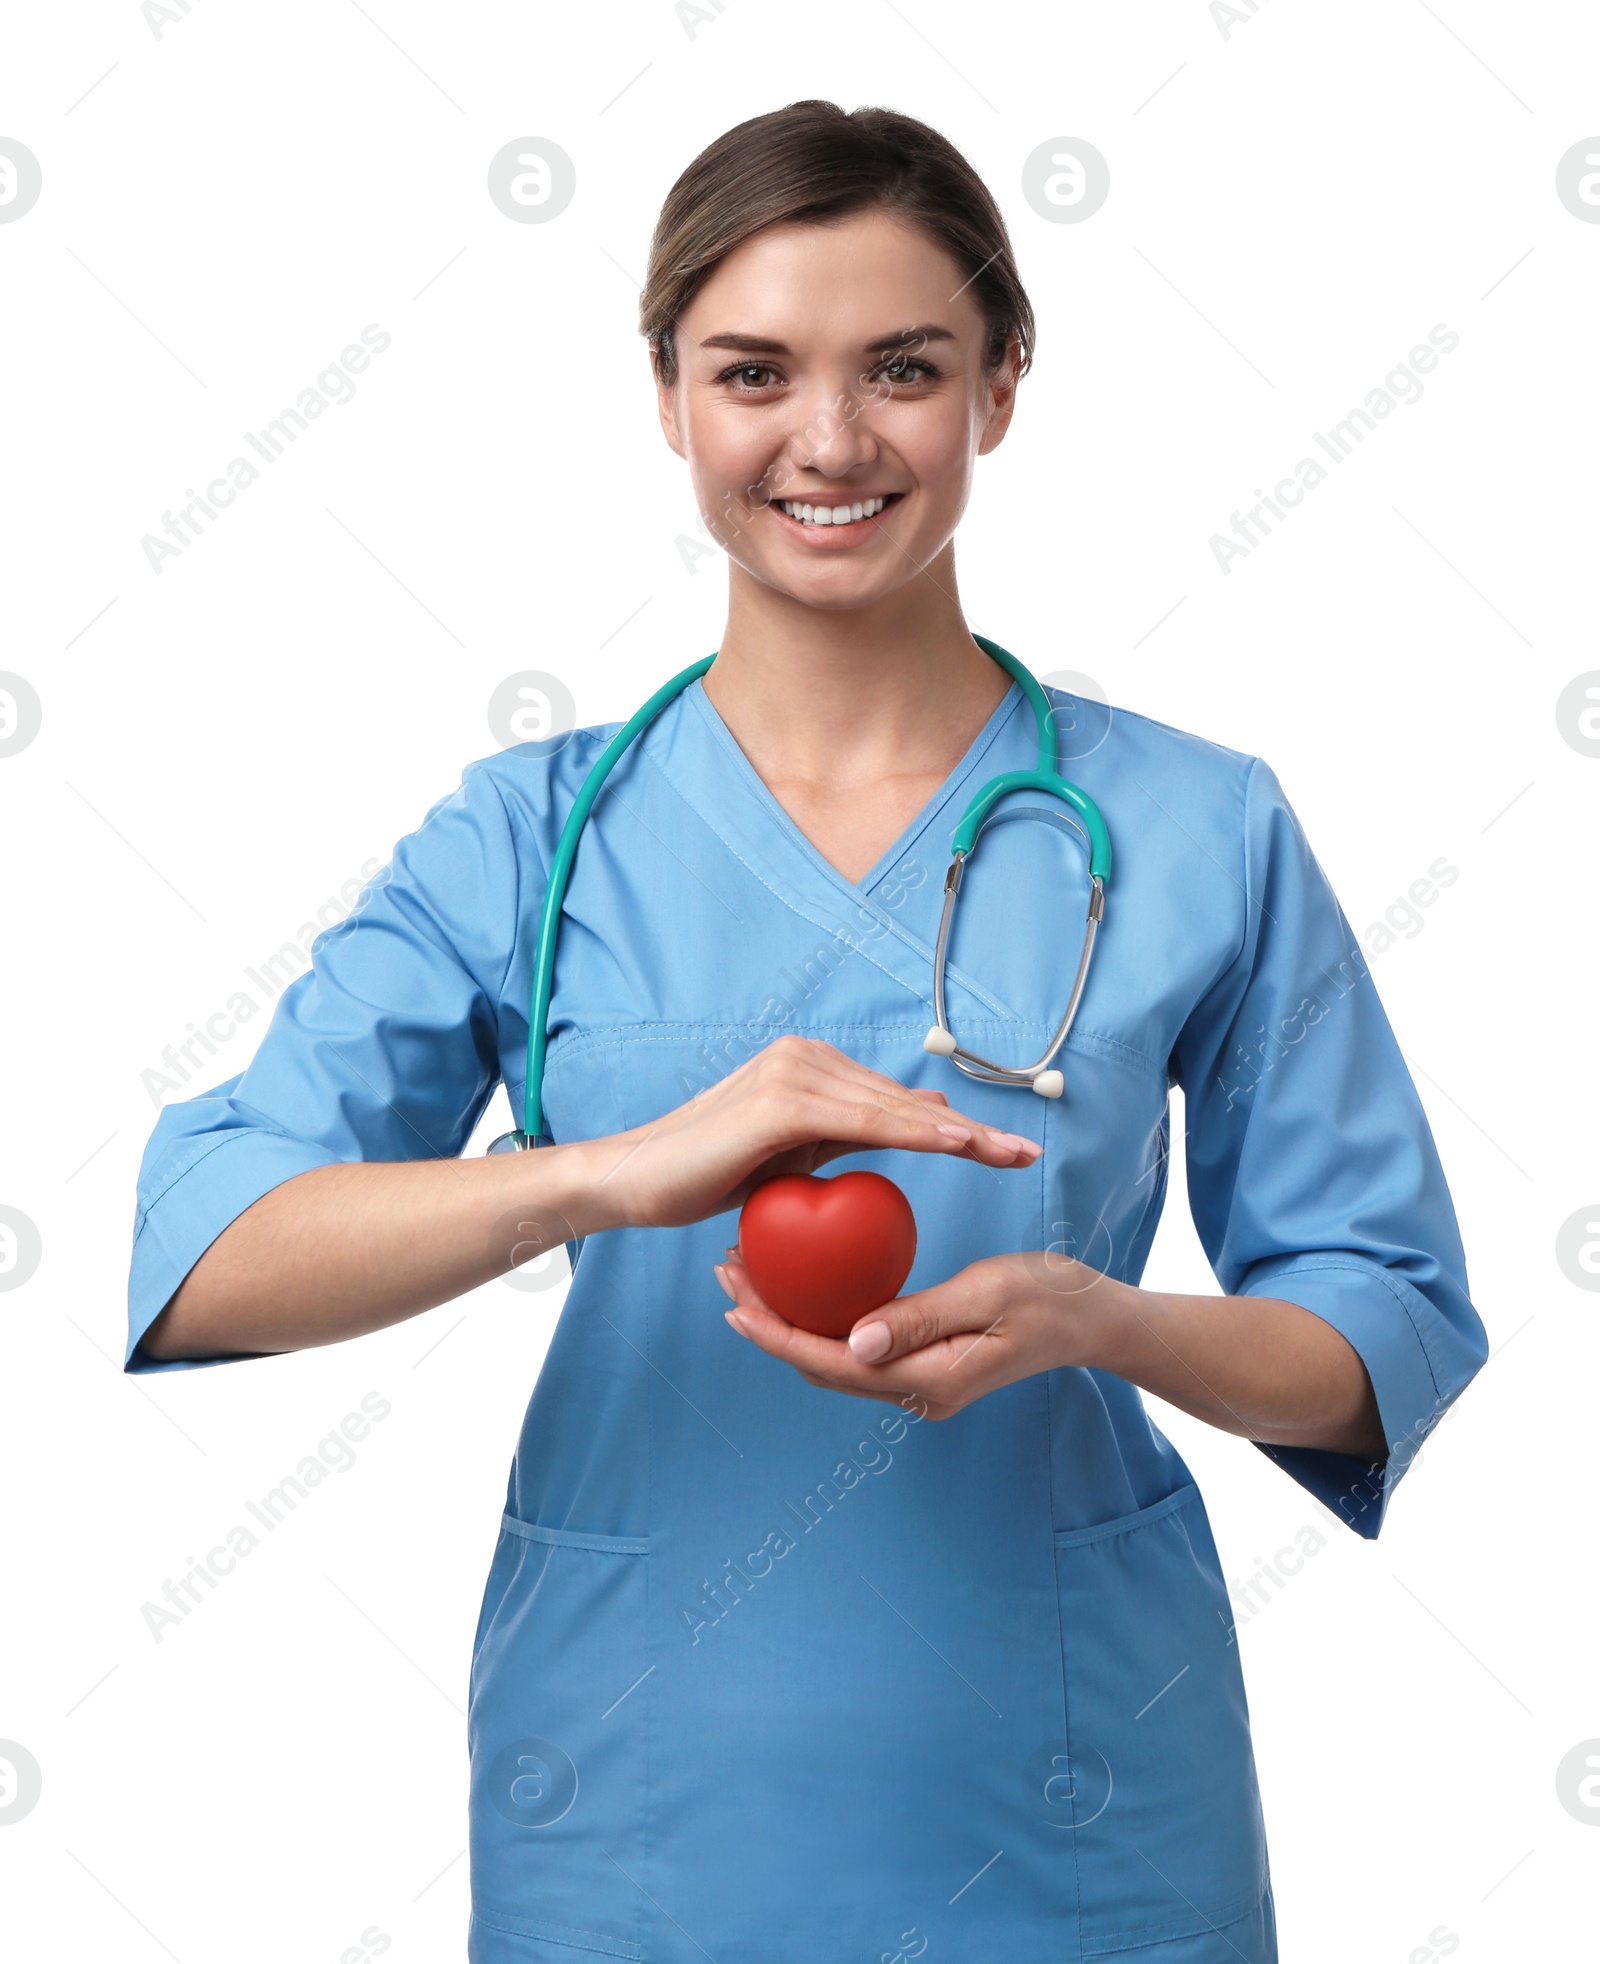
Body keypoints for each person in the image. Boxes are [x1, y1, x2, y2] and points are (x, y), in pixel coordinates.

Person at [126, 100, 1487, 1964]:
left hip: (1080, 1806)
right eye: (753, 370)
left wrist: (1108, 1322)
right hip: (634, 1807)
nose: (829, 441)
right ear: (670, 398)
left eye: (905, 369)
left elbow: (1385, 1315)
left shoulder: (1198, 826)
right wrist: (596, 1177)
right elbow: (201, 1251)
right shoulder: (532, 836)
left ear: (1003, 386)